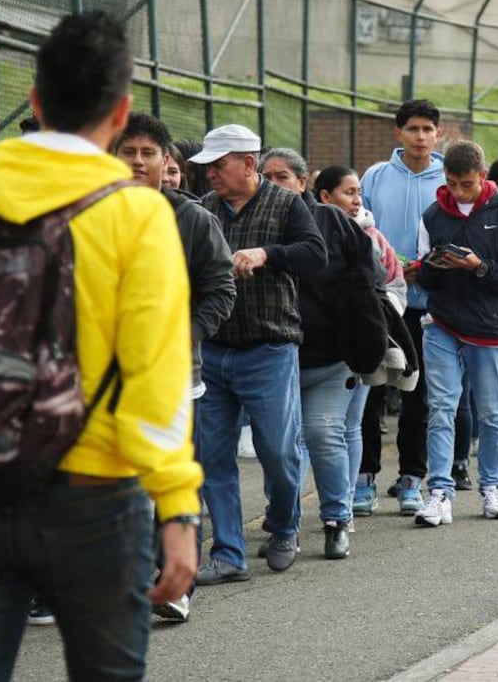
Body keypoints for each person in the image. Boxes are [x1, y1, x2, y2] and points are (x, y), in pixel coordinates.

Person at [0, 13, 201, 680]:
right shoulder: (136, 213)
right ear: (122, 112)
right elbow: (155, 378)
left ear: (35, 102)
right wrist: (176, 506)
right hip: (94, 495)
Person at [192, 125, 327, 584]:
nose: (210, 173)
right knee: (213, 456)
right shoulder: (204, 209)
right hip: (211, 349)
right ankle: (228, 553)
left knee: (277, 449)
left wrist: (267, 253)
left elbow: (314, 255)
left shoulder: (287, 203)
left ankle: (284, 526)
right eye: (207, 166)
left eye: (219, 164)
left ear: (248, 164)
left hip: (269, 347)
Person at [115, 113, 235, 621]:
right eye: (129, 152)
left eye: (148, 153)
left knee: (168, 482)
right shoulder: (92, 215)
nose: (138, 162)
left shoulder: (192, 220)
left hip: (173, 379)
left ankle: (176, 584)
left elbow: (221, 287)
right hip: (106, 380)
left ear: (167, 162)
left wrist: (184, 335)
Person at [261, 149, 386, 559]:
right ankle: (283, 524)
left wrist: (363, 336)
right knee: (279, 446)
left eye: (282, 177)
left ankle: (337, 519)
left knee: (323, 433)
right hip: (275, 356)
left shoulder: (330, 220)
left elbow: (370, 275)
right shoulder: (255, 222)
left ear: (302, 183)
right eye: (267, 176)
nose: (273, 184)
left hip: (331, 357)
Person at [414, 141, 498, 526]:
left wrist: (478, 266)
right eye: (451, 183)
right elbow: (425, 279)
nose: (458, 192)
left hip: (490, 327)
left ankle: (491, 487)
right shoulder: (432, 214)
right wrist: (434, 264)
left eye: (465, 184)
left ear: (482, 178)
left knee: (492, 412)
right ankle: (440, 493)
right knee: (442, 408)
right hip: (443, 323)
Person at [359, 99, 445, 515]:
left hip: (429, 306)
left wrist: (424, 269)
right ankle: (364, 477)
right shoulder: (375, 176)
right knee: (371, 391)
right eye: (413, 129)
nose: (421, 137)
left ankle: (412, 477)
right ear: (399, 133)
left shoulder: (448, 178)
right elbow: (362, 232)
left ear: (438, 134)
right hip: (382, 303)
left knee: (419, 396)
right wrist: (391, 268)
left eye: (428, 129)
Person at [313, 166, 408, 518]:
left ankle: (349, 497)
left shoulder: (373, 237)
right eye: (348, 192)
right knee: (319, 431)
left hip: (358, 343)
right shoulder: (307, 234)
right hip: (316, 346)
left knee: (352, 423)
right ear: (325, 196)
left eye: (358, 193)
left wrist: (381, 314)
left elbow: (394, 284)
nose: (356, 201)